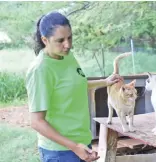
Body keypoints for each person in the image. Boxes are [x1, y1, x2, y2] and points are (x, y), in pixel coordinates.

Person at [25, 11, 122, 162]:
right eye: (60, 40)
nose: (68, 45)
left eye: (70, 37)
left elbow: (75, 85)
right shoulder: (40, 70)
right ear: (45, 40)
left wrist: (105, 82)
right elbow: (37, 122)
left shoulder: (67, 56)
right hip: (60, 151)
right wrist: (74, 147)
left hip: (81, 142)